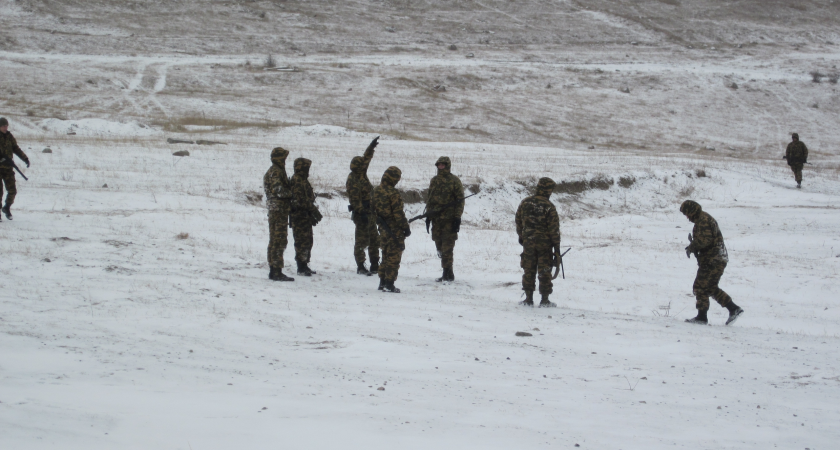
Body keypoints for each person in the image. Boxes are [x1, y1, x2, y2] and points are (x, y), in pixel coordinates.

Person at [680, 200, 744, 325]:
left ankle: (703, 317)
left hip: (713, 260)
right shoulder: (701, 220)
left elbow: (705, 240)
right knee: (707, 287)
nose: (687, 217)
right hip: (715, 259)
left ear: (692, 211)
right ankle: (732, 309)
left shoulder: (703, 220)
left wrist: (692, 246)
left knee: (701, 286)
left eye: (687, 214)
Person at [515, 177, 561, 307]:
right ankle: (544, 300)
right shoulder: (549, 206)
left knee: (528, 269)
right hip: (544, 245)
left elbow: (518, 221)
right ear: (548, 190)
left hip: (528, 243)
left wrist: (522, 236)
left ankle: (528, 299)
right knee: (545, 270)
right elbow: (554, 229)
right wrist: (556, 247)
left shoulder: (525, 202)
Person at [424, 156, 464, 282]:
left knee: (447, 247)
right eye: (439, 165)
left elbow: (460, 201)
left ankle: (447, 272)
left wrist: (457, 217)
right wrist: (428, 216)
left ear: (447, 165)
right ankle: (448, 271)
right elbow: (429, 199)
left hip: (449, 219)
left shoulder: (454, 181)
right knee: (438, 245)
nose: (440, 167)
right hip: (436, 220)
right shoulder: (434, 180)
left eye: (443, 165)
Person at [346, 137, 381, 276]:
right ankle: (361, 265)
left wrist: (371, 147)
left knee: (374, 239)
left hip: (370, 212)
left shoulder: (361, 174)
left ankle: (374, 264)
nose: (364, 166)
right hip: (362, 214)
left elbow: (366, 159)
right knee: (361, 240)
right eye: (361, 166)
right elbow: (355, 200)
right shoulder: (353, 179)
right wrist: (362, 212)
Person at [372, 166, 410, 293]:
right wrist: (405, 228)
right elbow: (398, 214)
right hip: (394, 230)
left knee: (385, 255)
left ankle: (382, 282)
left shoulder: (376, 190)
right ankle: (389, 284)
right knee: (393, 257)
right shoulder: (393, 193)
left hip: (382, 228)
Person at [263, 147, 294, 281]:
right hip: (278, 210)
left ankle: (274, 269)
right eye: (284, 158)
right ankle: (276, 270)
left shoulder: (274, 171)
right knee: (279, 239)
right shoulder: (276, 172)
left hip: (276, 209)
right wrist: (291, 193)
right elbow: (278, 190)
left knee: (275, 239)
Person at [290, 158, 322, 276]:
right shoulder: (297, 180)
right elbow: (300, 200)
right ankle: (301, 266)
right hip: (299, 216)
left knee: (308, 240)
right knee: (301, 241)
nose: (308, 170)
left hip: (305, 215)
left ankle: (305, 263)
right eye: (306, 167)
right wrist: (312, 209)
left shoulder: (302, 180)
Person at [0, 117, 30, 221]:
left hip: (8, 168)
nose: (5, 127)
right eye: (3, 126)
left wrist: (25, 158)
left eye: (6, 126)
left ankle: (6, 208)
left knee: (12, 191)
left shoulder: (9, 136)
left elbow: (15, 148)